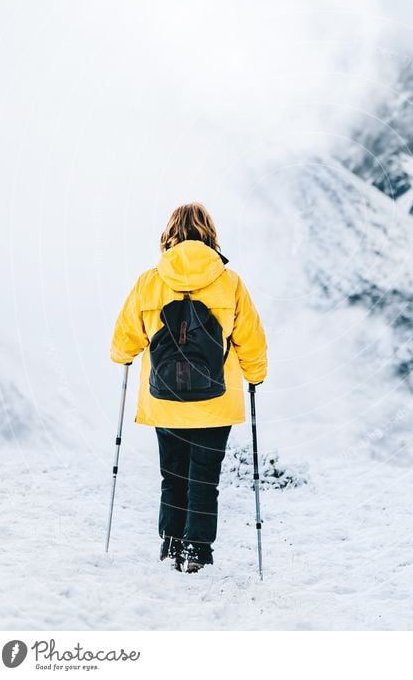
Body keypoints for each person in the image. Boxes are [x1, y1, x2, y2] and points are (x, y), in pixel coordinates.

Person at [110, 202, 268, 573]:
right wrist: (255, 375)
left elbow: (124, 341)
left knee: (173, 475)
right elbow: (251, 340)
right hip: (216, 401)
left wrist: (123, 357)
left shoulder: (149, 281)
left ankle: (171, 542)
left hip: (164, 400)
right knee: (205, 479)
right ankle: (198, 551)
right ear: (210, 234)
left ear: (170, 234)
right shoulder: (229, 282)